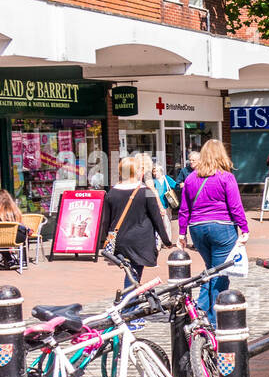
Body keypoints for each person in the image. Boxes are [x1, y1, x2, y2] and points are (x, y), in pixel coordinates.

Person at [177, 138, 249, 327]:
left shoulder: (191, 178)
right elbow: (235, 206)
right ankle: (216, 321)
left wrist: (182, 233)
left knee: (211, 269)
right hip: (221, 228)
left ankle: (203, 310)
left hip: (197, 228)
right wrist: (244, 228)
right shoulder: (226, 177)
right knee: (220, 273)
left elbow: (184, 209)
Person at [99, 156, 172, 294]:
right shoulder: (146, 192)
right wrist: (166, 240)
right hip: (140, 241)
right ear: (137, 172)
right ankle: (129, 305)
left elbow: (105, 222)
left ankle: (130, 303)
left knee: (131, 271)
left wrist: (106, 240)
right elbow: (157, 218)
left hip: (120, 241)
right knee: (134, 273)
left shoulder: (111, 193)